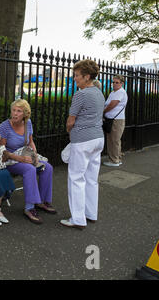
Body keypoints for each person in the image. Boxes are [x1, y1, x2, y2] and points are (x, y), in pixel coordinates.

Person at [61, 59, 105, 230]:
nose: (75, 79)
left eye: (77, 75)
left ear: (87, 76)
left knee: (76, 178)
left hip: (83, 140)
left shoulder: (81, 94)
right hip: (98, 139)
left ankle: (78, 219)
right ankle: (90, 213)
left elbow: (71, 121)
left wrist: (68, 129)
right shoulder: (99, 93)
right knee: (92, 179)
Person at [0, 99, 56, 225]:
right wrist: (20, 159)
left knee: (47, 167)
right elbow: (2, 152)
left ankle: (42, 201)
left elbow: (30, 141)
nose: (15, 113)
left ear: (25, 114)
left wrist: (34, 154)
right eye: (14, 110)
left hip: (25, 155)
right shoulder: (4, 126)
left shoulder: (28, 123)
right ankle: (30, 207)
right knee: (29, 169)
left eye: (19, 111)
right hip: (11, 160)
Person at [103, 74, 128, 167]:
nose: (114, 84)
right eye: (113, 82)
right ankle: (116, 159)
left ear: (122, 83)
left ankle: (114, 161)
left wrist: (103, 111)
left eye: (117, 82)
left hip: (116, 120)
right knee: (113, 140)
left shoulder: (120, 92)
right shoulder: (113, 92)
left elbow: (112, 104)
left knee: (114, 140)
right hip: (112, 119)